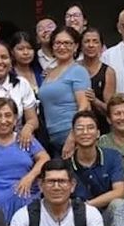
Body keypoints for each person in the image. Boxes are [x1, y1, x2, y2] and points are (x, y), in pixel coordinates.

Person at [0, 96, 46, 218]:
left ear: (15, 120)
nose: (3, 121)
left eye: (8, 115)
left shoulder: (25, 139)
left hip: (26, 199)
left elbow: (44, 159)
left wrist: (30, 177)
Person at [36, 25, 92, 153]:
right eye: (58, 43)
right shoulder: (49, 73)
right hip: (51, 136)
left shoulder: (78, 71)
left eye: (67, 43)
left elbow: (84, 107)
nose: (62, 47)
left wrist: (73, 137)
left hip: (71, 135)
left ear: (76, 46)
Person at [65, 109, 124, 217]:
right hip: (77, 217)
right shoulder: (65, 165)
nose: (85, 132)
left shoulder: (112, 156)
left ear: (98, 133)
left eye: (90, 128)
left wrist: (87, 206)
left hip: (106, 214)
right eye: (80, 129)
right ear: (73, 134)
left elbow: (119, 192)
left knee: (119, 204)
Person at [79, 26, 118, 128]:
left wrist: (94, 100)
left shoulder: (108, 72)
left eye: (95, 41)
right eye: (87, 41)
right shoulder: (73, 68)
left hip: (100, 126)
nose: (91, 45)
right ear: (80, 46)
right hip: (76, 124)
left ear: (101, 46)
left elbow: (111, 109)